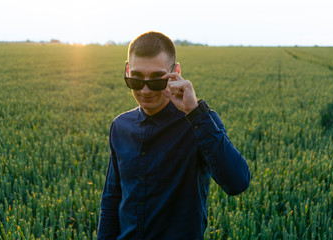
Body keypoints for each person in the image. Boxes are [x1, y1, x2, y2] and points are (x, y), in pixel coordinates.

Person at [97, 31, 250, 240]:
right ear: (127, 70)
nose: (145, 90)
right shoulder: (120, 126)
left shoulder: (200, 123)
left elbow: (237, 182)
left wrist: (195, 113)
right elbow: (112, 198)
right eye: (136, 78)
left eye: (156, 80)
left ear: (176, 72)